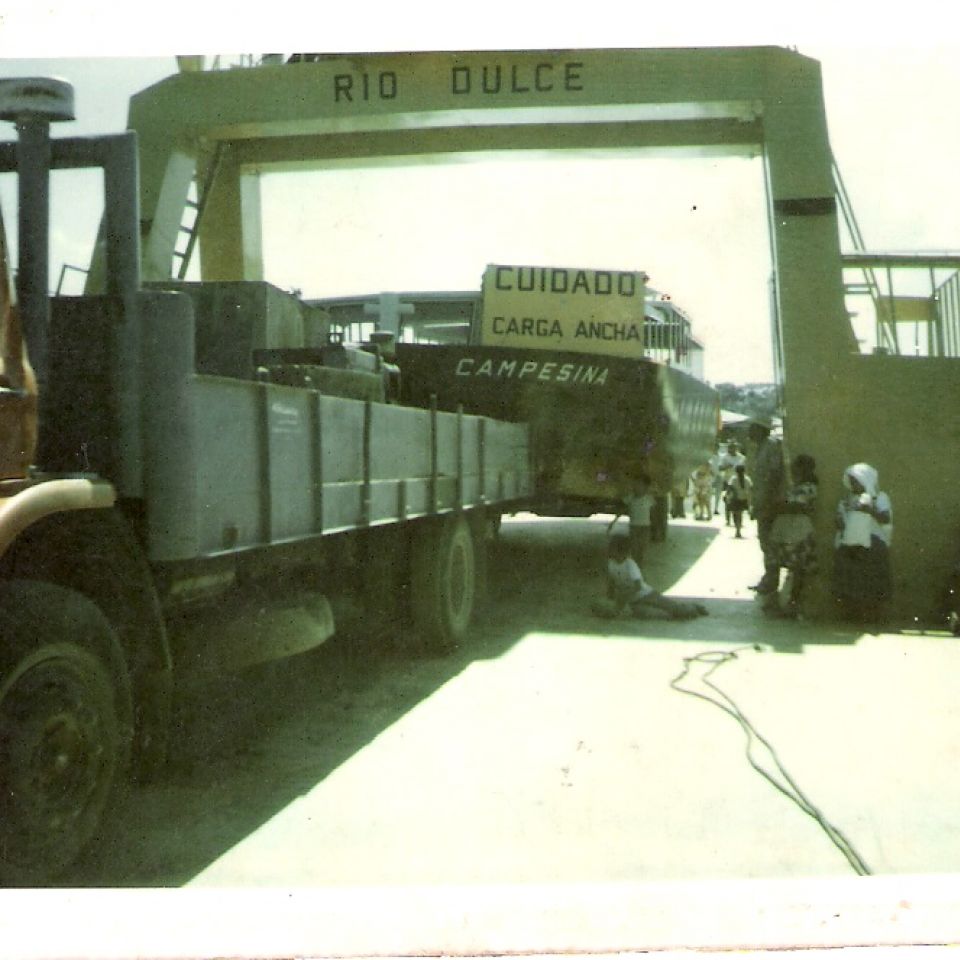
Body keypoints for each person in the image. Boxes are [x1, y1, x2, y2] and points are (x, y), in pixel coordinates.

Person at [593, 534, 708, 620]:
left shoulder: (630, 564)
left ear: (623, 552)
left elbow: (637, 586)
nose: (611, 553)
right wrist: (610, 598)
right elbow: (612, 582)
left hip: (646, 594)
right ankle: (683, 609)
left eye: (614, 550)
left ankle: (693, 607)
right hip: (633, 599)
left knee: (675, 610)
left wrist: (622, 599)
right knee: (653, 615)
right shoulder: (611, 563)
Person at [832, 462, 893, 623]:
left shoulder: (880, 497)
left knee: (872, 581)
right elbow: (840, 523)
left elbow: (886, 519)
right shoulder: (847, 500)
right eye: (851, 481)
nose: (853, 484)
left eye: (856, 481)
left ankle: (873, 617)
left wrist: (868, 510)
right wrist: (841, 519)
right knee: (851, 581)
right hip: (851, 545)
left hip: (873, 545)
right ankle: (853, 616)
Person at [763, 453, 819, 618]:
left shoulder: (809, 487)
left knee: (797, 568)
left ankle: (792, 604)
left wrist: (777, 506)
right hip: (785, 529)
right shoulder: (795, 486)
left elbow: (797, 506)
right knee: (778, 565)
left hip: (798, 530)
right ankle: (778, 602)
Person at [747, 419, 786, 596]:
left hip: (770, 503)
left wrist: (768, 501)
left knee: (769, 542)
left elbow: (774, 474)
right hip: (763, 502)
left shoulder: (771, 445)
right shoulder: (761, 447)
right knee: (764, 541)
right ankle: (769, 577)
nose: (749, 431)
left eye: (752, 427)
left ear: (761, 429)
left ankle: (771, 580)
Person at [610, 473, 654, 564]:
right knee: (634, 546)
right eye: (635, 485)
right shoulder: (630, 498)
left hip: (645, 527)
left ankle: (640, 562)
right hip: (634, 527)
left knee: (643, 546)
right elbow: (622, 509)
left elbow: (653, 511)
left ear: (645, 488)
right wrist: (613, 522)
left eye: (640, 485)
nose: (636, 488)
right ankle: (635, 562)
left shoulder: (649, 499)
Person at [725, 463, 753, 539]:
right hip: (743, 499)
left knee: (735, 515)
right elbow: (750, 490)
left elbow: (729, 489)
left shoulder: (733, 479)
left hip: (735, 499)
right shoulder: (747, 479)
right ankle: (738, 530)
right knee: (740, 515)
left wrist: (727, 497)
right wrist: (750, 501)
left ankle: (737, 530)